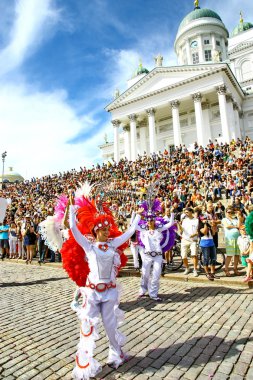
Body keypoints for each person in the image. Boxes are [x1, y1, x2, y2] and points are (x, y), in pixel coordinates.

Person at [65, 194, 143, 379]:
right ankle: (85, 364)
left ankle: (116, 355)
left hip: (109, 293)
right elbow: (75, 230)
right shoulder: (89, 246)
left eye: (108, 229)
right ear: (96, 231)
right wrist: (72, 211)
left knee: (110, 326)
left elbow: (129, 232)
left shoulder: (112, 244)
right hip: (92, 293)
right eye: (104, 229)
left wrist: (138, 216)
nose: (108, 232)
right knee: (88, 326)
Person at [136, 200, 175, 301]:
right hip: (147, 255)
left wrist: (172, 212)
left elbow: (170, 223)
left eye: (152, 220)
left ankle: (153, 294)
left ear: (154, 220)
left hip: (158, 256)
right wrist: (136, 214)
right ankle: (143, 290)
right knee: (145, 274)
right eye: (148, 220)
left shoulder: (159, 229)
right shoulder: (144, 229)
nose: (149, 222)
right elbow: (133, 225)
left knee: (156, 275)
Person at [178, 207, 199, 277]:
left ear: (191, 212)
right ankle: (187, 268)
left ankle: (195, 269)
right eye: (185, 212)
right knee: (183, 256)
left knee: (194, 255)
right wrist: (179, 225)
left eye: (187, 212)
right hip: (184, 239)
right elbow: (181, 231)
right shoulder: (184, 220)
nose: (185, 214)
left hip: (193, 240)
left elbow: (198, 231)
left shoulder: (196, 220)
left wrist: (195, 234)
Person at [222, 207, 243, 276]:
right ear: (226, 212)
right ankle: (226, 269)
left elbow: (239, 226)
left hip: (237, 238)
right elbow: (227, 226)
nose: (230, 213)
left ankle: (235, 269)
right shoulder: (224, 219)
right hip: (229, 239)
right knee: (229, 255)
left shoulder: (235, 219)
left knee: (237, 255)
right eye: (228, 212)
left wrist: (239, 217)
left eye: (231, 212)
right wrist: (235, 226)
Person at [199, 216, 217, 281]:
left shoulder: (209, 225)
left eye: (206, 219)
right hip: (204, 244)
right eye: (204, 219)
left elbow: (214, 233)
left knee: (213, 258)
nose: (205, 220)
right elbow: (204, 232)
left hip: (211, 243)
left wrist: (213, 226)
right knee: (206, 258)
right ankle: (207, 273)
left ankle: (213, 273)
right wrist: (205, 224)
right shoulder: (200, 226)